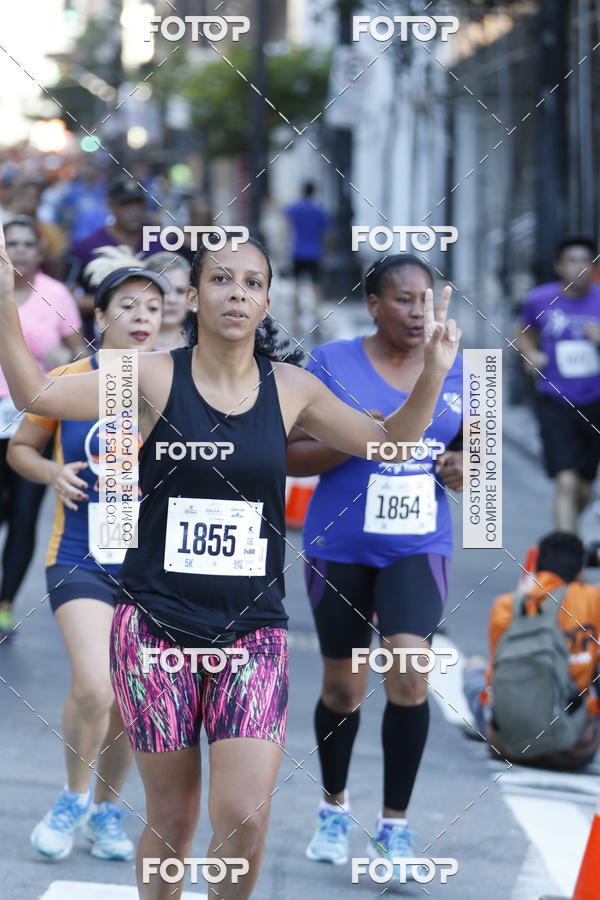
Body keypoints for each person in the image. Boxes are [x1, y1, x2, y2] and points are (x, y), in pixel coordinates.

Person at [0, 225, 460, 899]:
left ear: (267, 301)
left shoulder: (293, 388)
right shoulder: (151, 375)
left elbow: (388, 441)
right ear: (192, 297)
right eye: (220, 279)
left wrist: (436, 373)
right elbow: (36, 397)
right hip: (155, 630)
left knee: (244, 817)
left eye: (252, 283)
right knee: (173, 820)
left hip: (252, 634)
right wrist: (5, 301)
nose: (237, 293)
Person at [286, 255, 463, 878]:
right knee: (345, 687)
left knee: (410, 671)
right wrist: (363, 438)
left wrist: (464, 468)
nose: (418, 312)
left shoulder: (465, 368)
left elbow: (480, 463)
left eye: (426, 300)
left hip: (417, 544)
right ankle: (334, 807)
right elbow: (290, 456)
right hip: (340, 545)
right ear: (373, 305)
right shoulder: (332, 363)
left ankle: (394, 827)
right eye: (403, 299)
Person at [8, 249, 167, 860]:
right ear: (100, 316)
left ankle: (106, 809)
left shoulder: (175, 382)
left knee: (131, 696)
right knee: (97, 686)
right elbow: (20, 449)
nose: (142, 316)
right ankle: (73, 796)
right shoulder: (71, 378)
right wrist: (52, 472)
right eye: (127, 305)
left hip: (150, 566)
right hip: (79, 554)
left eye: (153, 307)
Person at [0, 216, 85, 637]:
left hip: (33, 420)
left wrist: (61, 360)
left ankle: (5, 602)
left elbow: (81, 355)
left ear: (40, 250)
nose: (19, 251)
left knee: (23, 514)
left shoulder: (55, 295)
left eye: (27, 244)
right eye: (11, 243)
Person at [463, 531, 600, 770]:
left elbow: (498, 667)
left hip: (506, 744)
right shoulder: (592, 599)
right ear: (580, 570)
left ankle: (488, 722)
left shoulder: (506, 604)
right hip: (573, 748)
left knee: (474, 666)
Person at [516, 237, 600, 533]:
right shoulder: (540, 299)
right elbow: (523, 331)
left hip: (595, 401)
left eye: (586, 261)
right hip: (554, 400)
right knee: (566, 481)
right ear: (559, 266)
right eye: (572, 260)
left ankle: (566, 536)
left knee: (584, 487)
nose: (580, 267)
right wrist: (531, 353)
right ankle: (568, 550)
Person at [66, 178, 161, 344]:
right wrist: (110, 303)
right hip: (101, 342)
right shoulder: (86, 246)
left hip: (155, 340)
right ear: (111, 206)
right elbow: (65, 297)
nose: (133, 210)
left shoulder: (160, 243)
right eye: (126, 204)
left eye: (138, 203)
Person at [284, 182, 330, 331]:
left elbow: (288, 227)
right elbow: (327, 232)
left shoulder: (295, 208)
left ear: (302, 191)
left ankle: (296, 318)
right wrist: (325, 251)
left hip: (298, 251)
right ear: (314, 192)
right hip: (314, 252)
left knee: (297, 285)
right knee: (316, 285)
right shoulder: (319, 210)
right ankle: (317, 315)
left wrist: (286, 246)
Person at [144, 251, 190, 350]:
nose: (172, 300)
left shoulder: (204, 344)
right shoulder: (123, 343)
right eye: (163, 291)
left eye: (180, 291)